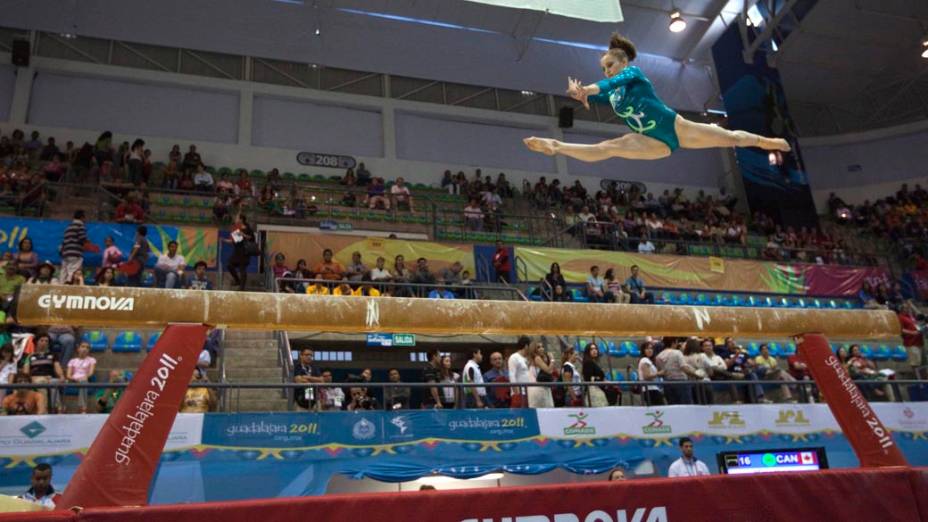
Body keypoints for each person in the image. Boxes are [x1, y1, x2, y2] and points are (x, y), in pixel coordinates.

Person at [524, 33, 790, 161]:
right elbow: (604, 94)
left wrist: (588, 90)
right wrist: (583, 96)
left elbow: (607, 86)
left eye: (609, 66)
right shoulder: (616, 95)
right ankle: (556, 147)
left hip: (675, 127)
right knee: (610, 147)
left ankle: (767, 141)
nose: (607, 71)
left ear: (623, 62)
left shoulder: (634, 74)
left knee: (730, 139)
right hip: (651, 142)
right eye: (603, 68)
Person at [23, 334, 64, 413]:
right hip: (36, 378)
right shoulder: (30, 357)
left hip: (49, 377)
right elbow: (26, 371)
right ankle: (44, 410)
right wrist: (30, 378)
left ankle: (57, 408)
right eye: (42, 340)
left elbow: (57, 366)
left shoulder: (52, 355)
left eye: (46, 341)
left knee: (54, 382)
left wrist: (61, 376)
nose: (44, 342)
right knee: (41, 382)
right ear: (36, 342)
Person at [225, 214, 256, 291]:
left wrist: (243, 234)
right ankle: (237, 280)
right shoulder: (237, 228)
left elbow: (251, 238)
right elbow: (236, 240)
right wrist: (227, 241)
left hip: (245, 251)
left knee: (242, 269)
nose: (235, 219)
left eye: (237, 218)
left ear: (241, 219)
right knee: (229, 265)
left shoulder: (248, 228)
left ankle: (242, 288)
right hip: (237, 251)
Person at [59, 210, 90, 285]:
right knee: (73, 270)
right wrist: (87, 241)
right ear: (82, 217)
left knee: (64, 270)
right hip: (75, 252)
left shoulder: (68, 227)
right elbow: (81, 237)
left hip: (66, 252)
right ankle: (69, 284)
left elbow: (64, 241)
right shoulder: (80, 226)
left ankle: (61, 284)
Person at [66, 341, 96, 414]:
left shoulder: (92, 360)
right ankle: (60, 407)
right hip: (73, 381)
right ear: (78, 349)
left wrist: (84, 377)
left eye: (87, 347)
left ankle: (83, 408)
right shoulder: (72, 361)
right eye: (82, 346)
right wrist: (75, 379)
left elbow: (91, 373)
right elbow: (68, 375)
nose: (85, 349)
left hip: (84, 380)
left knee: (83, 382)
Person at [508, 336, 534, 408]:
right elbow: (511, 375)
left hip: (529, 393)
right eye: (531, 346)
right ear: (526, 346)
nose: (532, 348)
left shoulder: (526, 358)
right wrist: (516, 393)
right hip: (520, 393)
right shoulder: (514, 357)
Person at [529, 342, 555, 408]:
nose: (541, 349)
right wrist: (552, 359)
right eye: (538, 347)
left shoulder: (537, 358)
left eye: (542, 346)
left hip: (541, 387)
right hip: (538, 389)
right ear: (534, 350)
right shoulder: (537, 358)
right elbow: (549, 371)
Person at [582, 343, 610, 407]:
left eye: (595, 349)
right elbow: (589, 378)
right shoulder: (588, 363)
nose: (594, 351)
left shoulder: (594, 362)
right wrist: (603, 380)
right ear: (588, 352)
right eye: (591, 349)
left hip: (597, 388)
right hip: (593, 390)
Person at [638, 341, 665, 406]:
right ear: (643, 350)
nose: (650, 350)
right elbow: (646, 376)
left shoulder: (650, 361)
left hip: (653, 389)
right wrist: (659, 373)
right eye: (647, 348)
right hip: (650, 390)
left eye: (651, 348)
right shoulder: (644, 360)